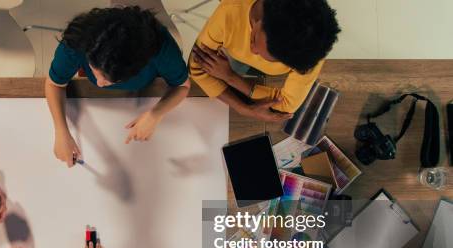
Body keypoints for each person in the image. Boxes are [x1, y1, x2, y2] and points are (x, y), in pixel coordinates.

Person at [45, 6, 191, 167]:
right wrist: (61, 131)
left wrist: (155, 114)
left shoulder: (161, 47)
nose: (100, 83)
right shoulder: (76, 42)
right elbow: (54, 84)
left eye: (111, 81)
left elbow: (182, 86)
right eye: (95, 71)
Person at [190, 0, 340, 122]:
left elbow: (287, 105)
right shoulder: (228, 15)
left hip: (230, 63)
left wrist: (231, 78)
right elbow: (196, 70)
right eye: (254, 38)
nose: (252, 51)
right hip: (230, 54)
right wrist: (242, 107)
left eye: (273, 59)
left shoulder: (310, 48)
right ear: (260, 20)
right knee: (236, 63)